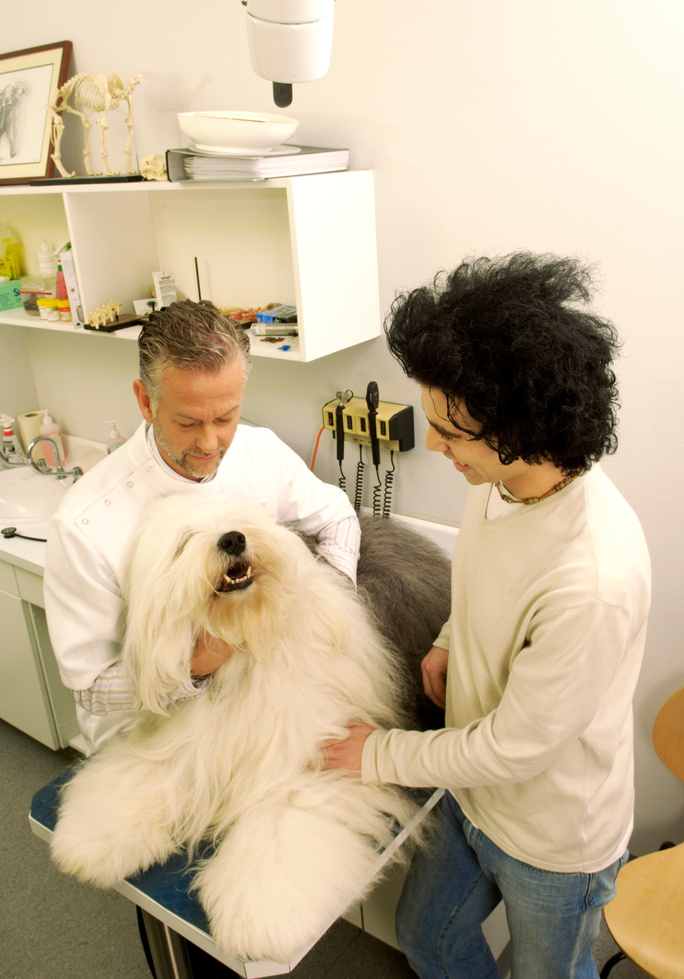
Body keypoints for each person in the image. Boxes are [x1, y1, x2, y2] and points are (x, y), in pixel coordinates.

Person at [322, 253, 651, 979]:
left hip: (552, 838)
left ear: (521, 427)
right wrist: (448, 640)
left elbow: (514, 747)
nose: (433, 444)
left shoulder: (592, 577)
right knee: (430, 939)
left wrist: (372, 751)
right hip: (469, 793)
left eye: (449, 429)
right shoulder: (500, 479)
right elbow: (482, 579)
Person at [44, 299, 360, 754]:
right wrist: (196, 665)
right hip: (155, 737)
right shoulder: (86, 524)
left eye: (226, 417)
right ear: (145, 401)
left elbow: (338, 518)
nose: (211, 443)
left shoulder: (259, 450)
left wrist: (324, 600)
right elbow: (91, 688)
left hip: (264, 701)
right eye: (188, 422)